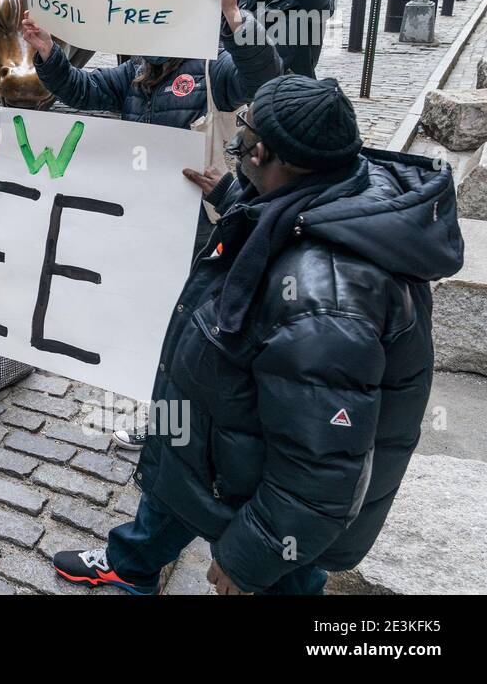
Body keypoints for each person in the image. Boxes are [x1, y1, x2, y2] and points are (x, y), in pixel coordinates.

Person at [52, 76, 464, 595]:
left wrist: (251, 556)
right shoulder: (316, 199)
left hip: (263, 495)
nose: (236, 146)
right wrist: (231, 195)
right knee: (174, 489)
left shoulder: (326, 301)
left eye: (242, 137)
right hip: (218, 438)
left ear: (267, 153)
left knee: (288, 579)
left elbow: (319, 468)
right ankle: (132, 563)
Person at [23, 0, 282, 450]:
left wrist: (234, 13)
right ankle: (171, 417)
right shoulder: (134, 73)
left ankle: (196, 424)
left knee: (196, 326)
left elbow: (263, 76)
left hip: (204, 226)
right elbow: (81, 90)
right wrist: (49, 53)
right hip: (150, 224)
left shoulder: (211, 70)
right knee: (163, 324)